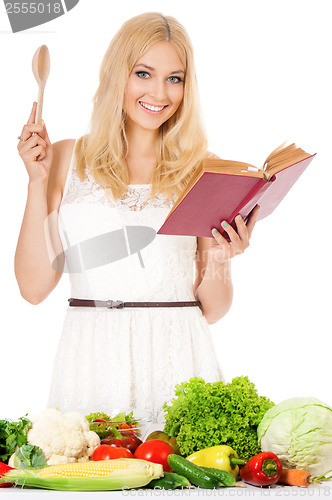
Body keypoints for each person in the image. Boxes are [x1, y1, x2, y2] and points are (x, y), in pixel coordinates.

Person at [15, 12, 259, 420]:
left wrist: (219, 257)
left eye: (174, 78)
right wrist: (36, 182)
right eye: (143, 73)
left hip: (178, 359)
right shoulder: (64, 158)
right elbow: (34, 288)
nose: (159, 92)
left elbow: (213, 309)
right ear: (117, 74)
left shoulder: (203, 169)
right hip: (91, 362)